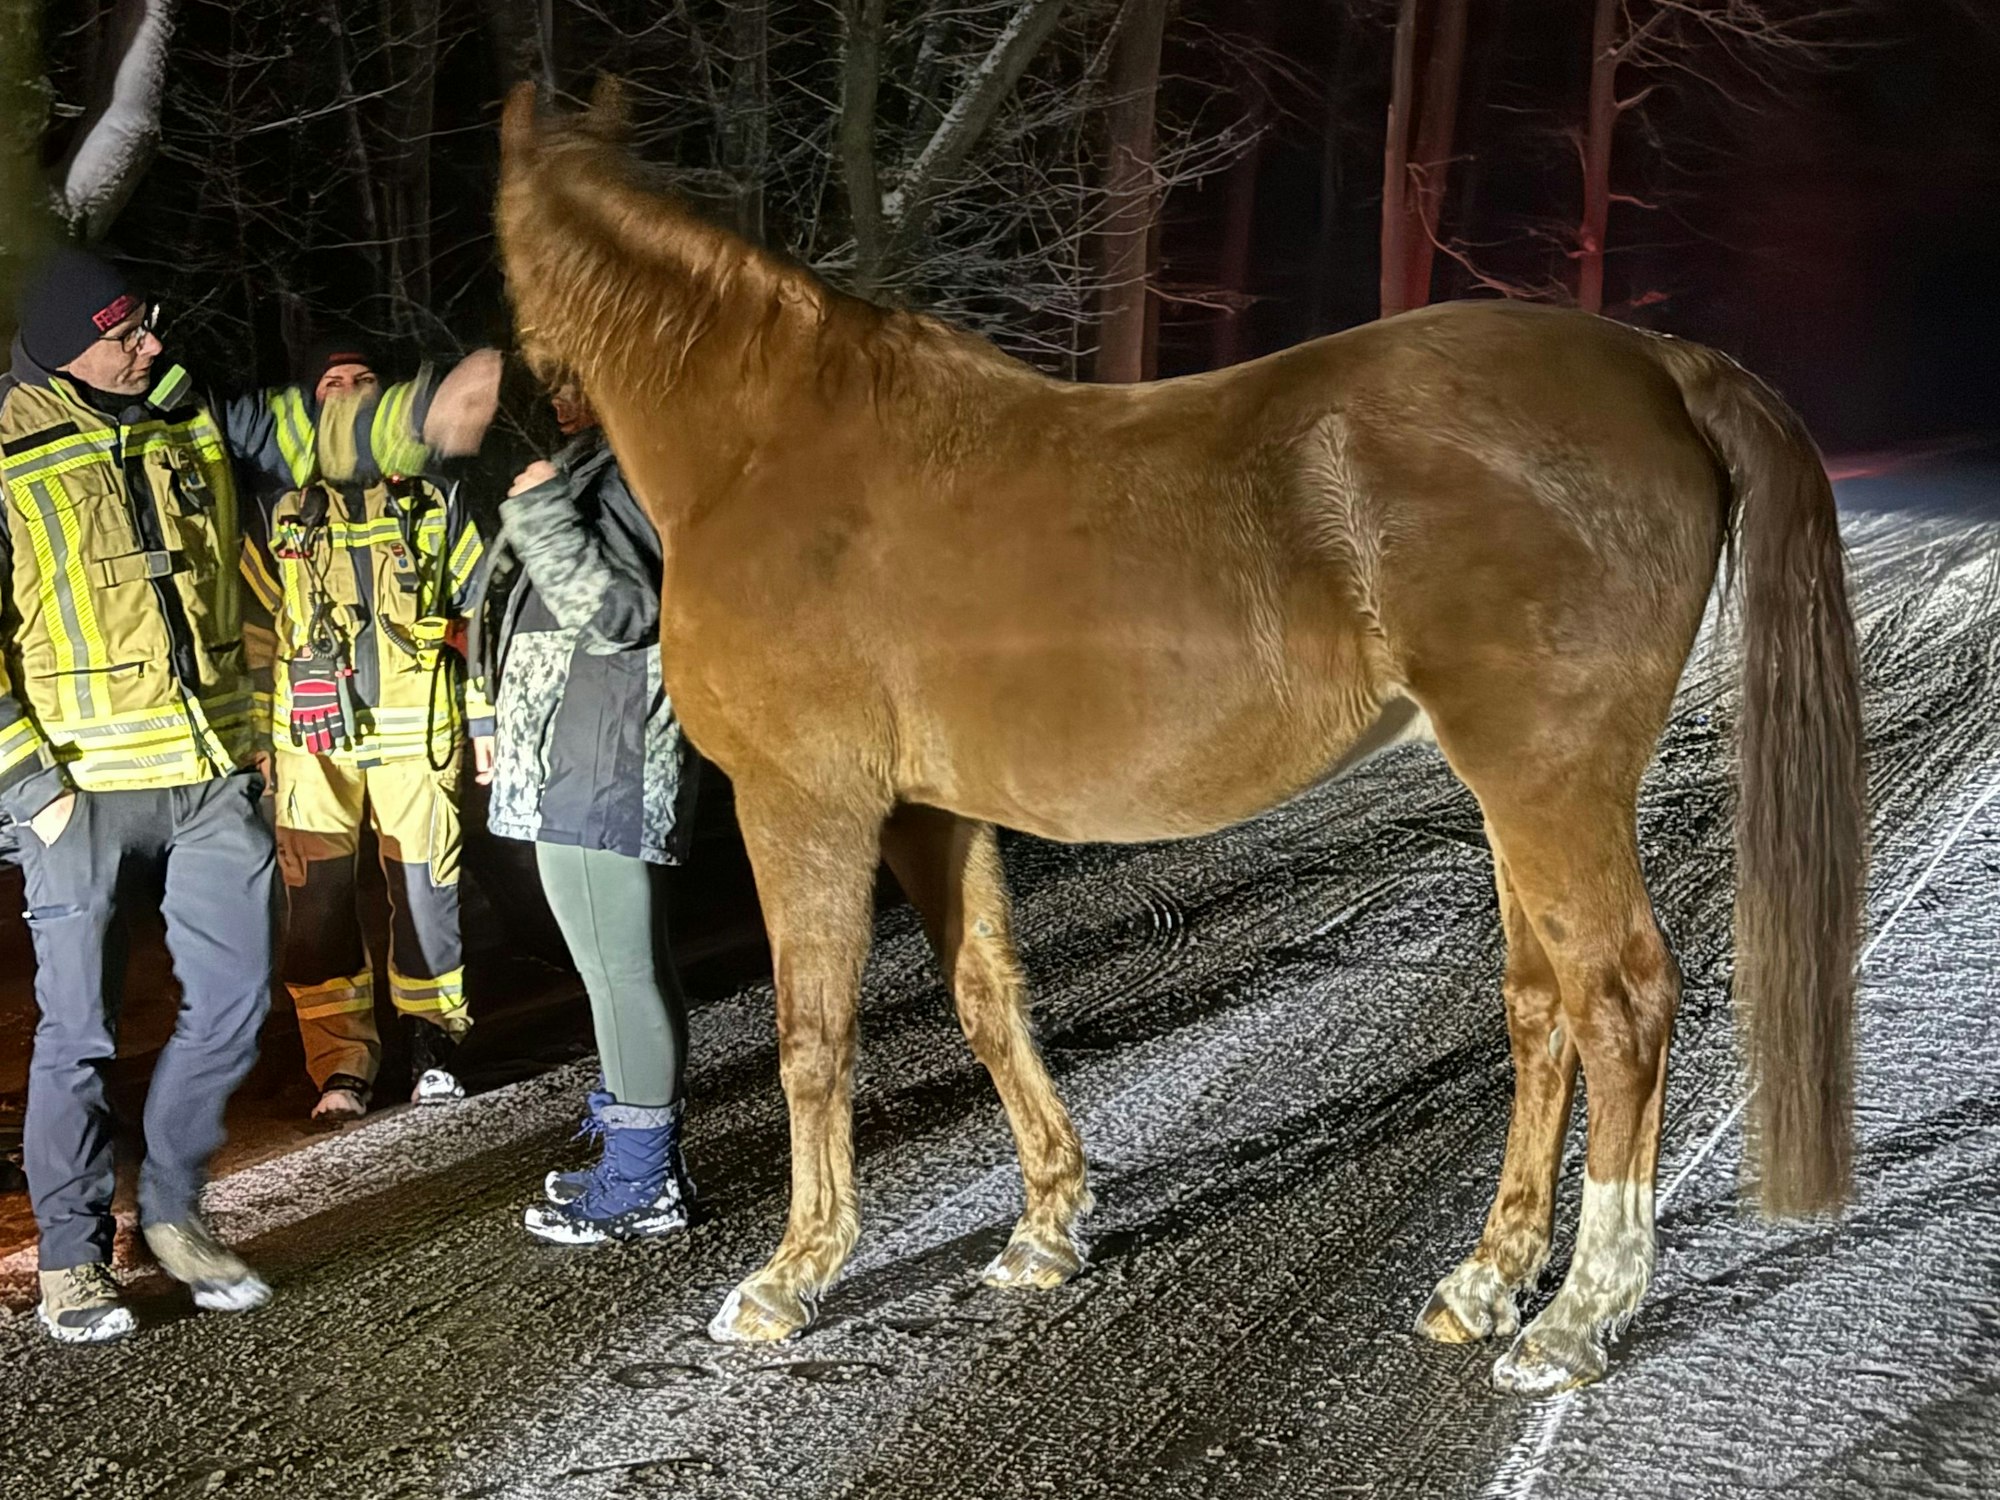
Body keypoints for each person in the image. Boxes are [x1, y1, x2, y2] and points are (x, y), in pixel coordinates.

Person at [0, 247, 274, 1342]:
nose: (152, 343)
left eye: (147, 325)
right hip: (83, 793)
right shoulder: (7, 449)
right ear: (75, 347)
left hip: (209, 775)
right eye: (128, 333)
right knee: (80, 1030)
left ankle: (170, 1212)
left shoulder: (182, 421)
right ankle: (72, 1258)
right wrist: (32, 783)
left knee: (240, 999)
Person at [230, 336, 502, 1123]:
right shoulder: (275, 507)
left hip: (419, 732)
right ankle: (341, 1068)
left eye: (363, 380)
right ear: (314, 404)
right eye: (331, 382)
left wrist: (484, 718)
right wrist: (256, 737)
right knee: (314, 907)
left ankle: (434, 1045)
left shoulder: (436, 497)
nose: (347, 391)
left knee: (426, 894)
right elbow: (252, 626)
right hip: (309, 743)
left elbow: (478, 609)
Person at [480, 385, 698, 1242]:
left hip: (603, 755)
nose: (563, 392)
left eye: (582, 371)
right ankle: (642, 1160)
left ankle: (643, 1182)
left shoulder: (647, 462)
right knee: (625, 970)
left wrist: (539, 510)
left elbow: (621, 615)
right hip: (571, 756)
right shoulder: (605, 459)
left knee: (621, 973)